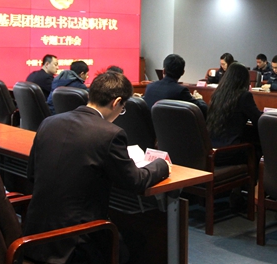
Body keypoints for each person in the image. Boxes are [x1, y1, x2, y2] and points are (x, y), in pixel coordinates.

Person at [24, 71, 169, 264]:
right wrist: (161, 164)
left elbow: (32, 174)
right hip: (75, 243)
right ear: (116, 102)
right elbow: (135, 181)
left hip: (34, 236)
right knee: (135, 245)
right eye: (123, 108)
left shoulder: (48, 123)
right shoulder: (110, 134)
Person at [207, 63, 262, 164]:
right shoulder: (244, 96)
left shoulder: (217, 94)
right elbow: (258, 120)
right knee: (258, 148)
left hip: (210, 150)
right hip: (229, 152)